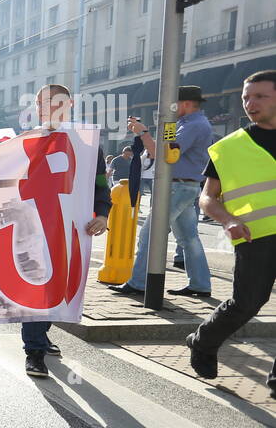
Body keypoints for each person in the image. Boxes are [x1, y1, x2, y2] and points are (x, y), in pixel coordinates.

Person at [188, 70, 276, 397]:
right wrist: (226, 220)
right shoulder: (229, 148)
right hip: (256, 236)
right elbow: (207, 198)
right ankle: (203, 342)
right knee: (248, 302)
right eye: (246, 97)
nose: (250, 104)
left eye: (259, 96)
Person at [21, 84, 110, 379]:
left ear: (69, 103)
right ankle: (33, 351)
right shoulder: (26, 141)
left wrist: (104, 214)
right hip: (34, 225)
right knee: (38, 283)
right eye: (39, 102)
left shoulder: (86, 143)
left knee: (59, 282)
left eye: (51, 101)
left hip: (71, 227)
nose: (44, 106)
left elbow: (99, 184)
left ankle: (42, 336)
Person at [110, 86, 213, 299]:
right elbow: (162, 148)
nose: (169, 108)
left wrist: (143, 132)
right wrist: (148, 136)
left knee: (150, 235)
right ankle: (200, 284)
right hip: (182, 185)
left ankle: (138, 283)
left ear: (184, 104)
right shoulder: (186, 124)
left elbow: (162, 153)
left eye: (172, 103)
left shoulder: (193, 125)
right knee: (189, 239)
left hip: (177, 186)